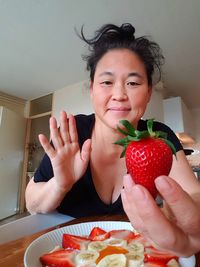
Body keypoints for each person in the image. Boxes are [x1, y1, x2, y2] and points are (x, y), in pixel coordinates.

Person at [25, 23, 200, 256]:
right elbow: (31, 202)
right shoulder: (72, 133)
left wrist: (187, 217)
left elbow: (193, 193)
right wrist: (59, 185)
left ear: (148, 93)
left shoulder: (159, 137)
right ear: (92, 90)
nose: (118, 94)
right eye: (106, 82)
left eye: (133, 83)